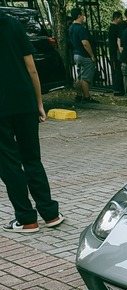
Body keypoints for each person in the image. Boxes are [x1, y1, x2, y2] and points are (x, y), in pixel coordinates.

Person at [0, 9, 64, 233]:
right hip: (24, 101)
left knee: (8, 164)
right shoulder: (14, 24)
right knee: (32, 159)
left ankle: (27, 219)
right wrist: (38, 103)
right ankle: (50, 213)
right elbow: (32, 68)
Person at [68, 7, 98, 103]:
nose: (84, 16)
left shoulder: (71, 27)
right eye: (83, 14)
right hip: (84, 55)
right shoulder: (81, 29)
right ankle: (86, 96)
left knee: (79, 76)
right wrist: (92, 55)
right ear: (79, 16)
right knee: (86, 78)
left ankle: (79, 95)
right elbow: (85, 43)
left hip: (76, 54)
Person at [107, 11, 125, 96]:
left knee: (117, 70)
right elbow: (118, 40)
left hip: (113, 51)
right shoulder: (116, 28)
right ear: (116, 18)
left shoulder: (111, 27)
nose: (121, 20)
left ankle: (117, 88)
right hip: (116, 51)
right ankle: (118, 88)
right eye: (120, 18)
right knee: (118, 70)